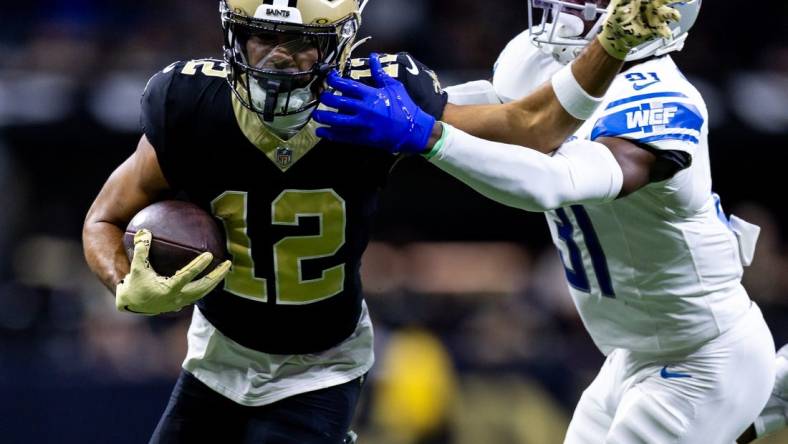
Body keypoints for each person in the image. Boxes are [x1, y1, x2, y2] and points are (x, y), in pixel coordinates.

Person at [81, 0, 664, 442]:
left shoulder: (377, 96)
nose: (280, 57)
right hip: (218, 352)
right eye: (263, 36)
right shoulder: (191, 104)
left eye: (303, 42)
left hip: (321, 364)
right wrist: (124, 282)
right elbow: (103, 218)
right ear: (235, 35)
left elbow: (531, 128)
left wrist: (609, 46)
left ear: (342, 44)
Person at [312, 0, 786, 442]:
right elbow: (507, 119)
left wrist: (427, 133)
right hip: (632, 353)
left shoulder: (664, 103)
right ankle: (760, 404)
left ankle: (755, 398)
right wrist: (406, 100)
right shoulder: (539, 56)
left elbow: (553, 182)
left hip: (703, 357)